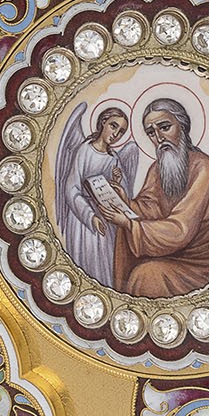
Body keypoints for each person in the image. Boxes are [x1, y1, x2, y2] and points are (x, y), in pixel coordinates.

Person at [97, 96, 209, 297]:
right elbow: (151, 208)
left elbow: (181, 229)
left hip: (204, 263)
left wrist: (130, 225)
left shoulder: (203, 167)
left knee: (146, 277)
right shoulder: (157, 168)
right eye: (151, 133)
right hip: (171, 253)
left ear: (182, 126)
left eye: (164, 127)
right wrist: (126, 202)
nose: (159, 137)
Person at [51, 101, 139, 285]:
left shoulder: (114, 158)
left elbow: (123, 195)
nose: (116, 134)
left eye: (121, 132)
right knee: (88, 263)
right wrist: (90, 217)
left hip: (107, 217)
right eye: (113, 126)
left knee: (106, 266)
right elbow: (71, 188)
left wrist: (117, 182)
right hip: (84, 219)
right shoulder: (84, 150)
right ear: (103, 122)